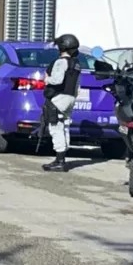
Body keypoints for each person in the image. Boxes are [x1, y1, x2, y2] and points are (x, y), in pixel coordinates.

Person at [41, 33, 81, 172]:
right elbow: (77, 85)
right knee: (65, 126)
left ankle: (60, 160)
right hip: (70, 98)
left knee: (56, 127)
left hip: (58, 98)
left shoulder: (60, 62)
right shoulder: (76, 64)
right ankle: (62, 157)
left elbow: (57, 80)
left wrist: (46, 79)